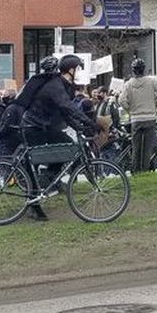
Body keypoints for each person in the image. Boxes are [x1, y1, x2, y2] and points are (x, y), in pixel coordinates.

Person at [18, 55, 98, 220]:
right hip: (33, 127)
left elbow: (64, 113)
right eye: (78, 68)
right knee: (33, 164)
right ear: (70, 69)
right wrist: (89, 121)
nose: (79, 71)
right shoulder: (55, 85)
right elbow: (66, 106)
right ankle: (34, 206)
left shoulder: (65, 85)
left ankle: (48, 177)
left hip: (45, 127)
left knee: (68, 146)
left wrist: (79, 126)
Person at [119, 59, 157, 173]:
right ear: (143, 69)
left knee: (136, 147)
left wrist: (130, 110)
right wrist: (155, 102)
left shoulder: (129, 84)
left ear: (133, 70)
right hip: (150, 117)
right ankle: (144, 171)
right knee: (147, 148)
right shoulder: (151, 81)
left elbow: (121, 100)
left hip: (136, 118)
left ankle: (135, 171)